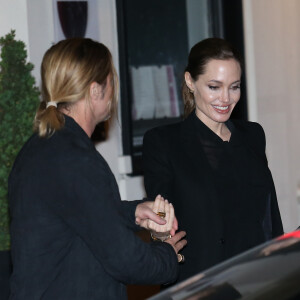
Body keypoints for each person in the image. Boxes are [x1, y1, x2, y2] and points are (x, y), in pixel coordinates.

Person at [8, 38, 187, 300]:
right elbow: (126, 261)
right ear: (95, 91)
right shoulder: (76, 159)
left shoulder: (38, 149)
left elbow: (77, 213)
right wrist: (168, 254)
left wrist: (133, 212)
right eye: (111, 80)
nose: (114, 89)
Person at [143, 38, 283, 283]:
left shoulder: (253, 135)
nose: (226, 98)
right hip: (205, 284)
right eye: (214, 87)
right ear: (190, 81)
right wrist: (161, 236)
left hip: (261, 279)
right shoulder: (163, 143)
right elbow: (162, 222)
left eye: (234, 86)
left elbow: (269, 217)